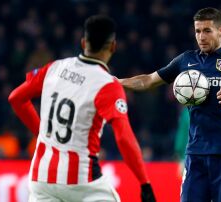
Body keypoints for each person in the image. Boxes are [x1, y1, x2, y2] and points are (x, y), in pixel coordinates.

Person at [120, 7, 221, 202]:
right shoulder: (186, 60)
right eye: (197, 31)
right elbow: (148, 80)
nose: (201, 36)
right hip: (195, 152)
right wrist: (116, 82)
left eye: (207, 31)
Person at [8, 15, 156, 202]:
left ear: (83, 42)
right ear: (113, 46)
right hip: (82, 181)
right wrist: (144, 182)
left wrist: (41, 133)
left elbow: (15, 98)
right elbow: (124, 137)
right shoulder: (107, 84)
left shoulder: (55, 68)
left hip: (41, 177)